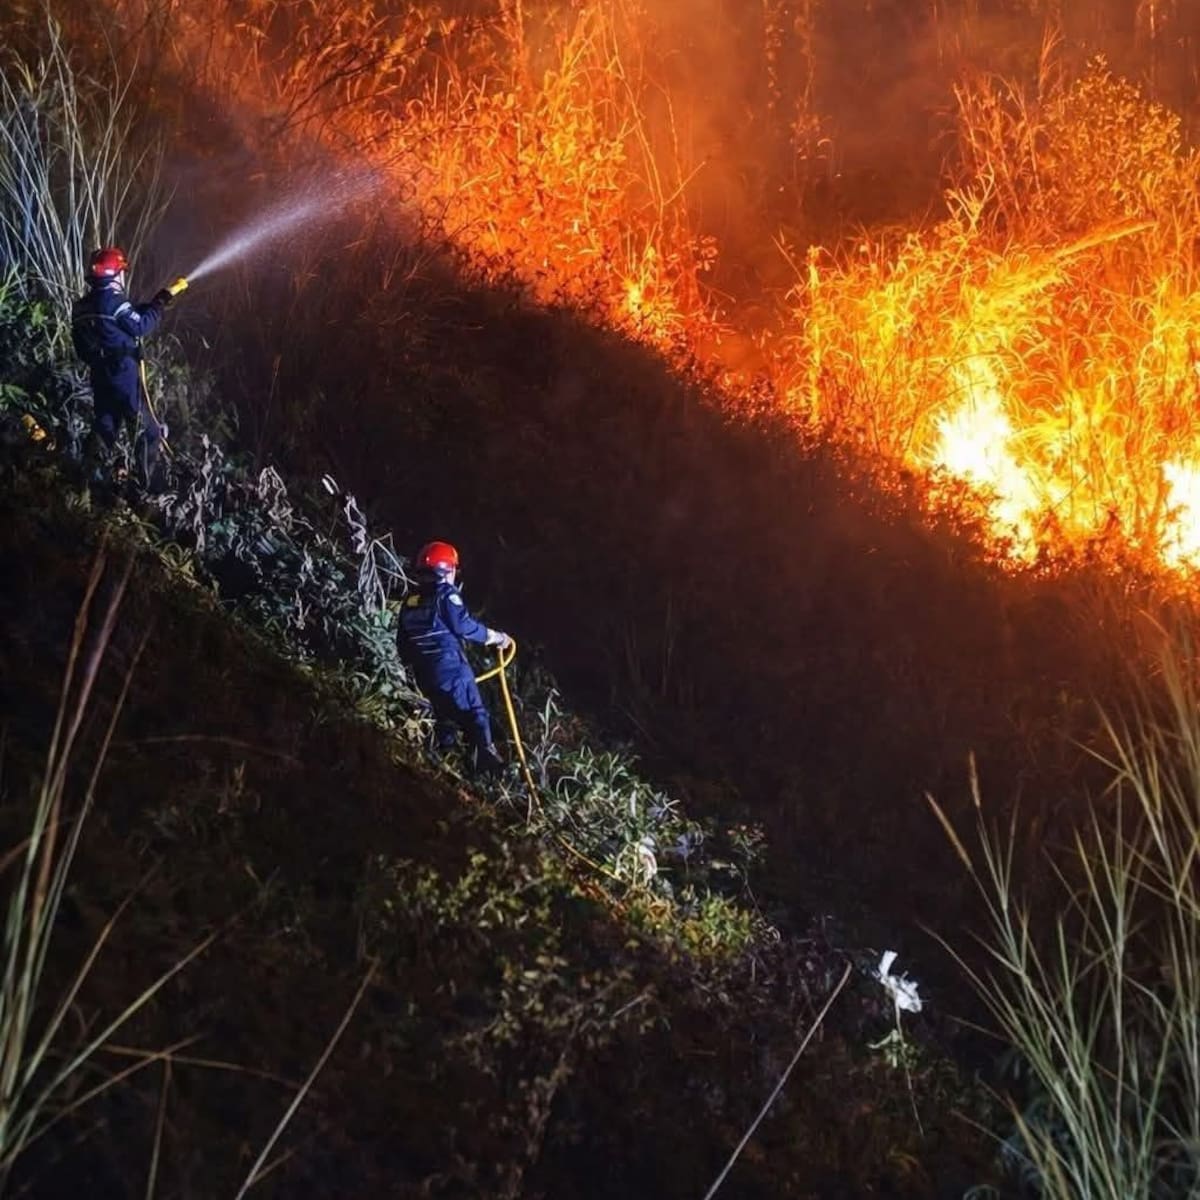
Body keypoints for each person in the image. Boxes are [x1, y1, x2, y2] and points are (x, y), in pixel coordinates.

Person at [397, 540, 512, 777]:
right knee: (475, 712)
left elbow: (403, 644)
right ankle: (487, 771)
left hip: (424, 672)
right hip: (450, 667)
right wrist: (497, 638)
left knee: (444, 716)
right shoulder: (446, 594)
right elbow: (464, 627)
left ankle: (442, 765)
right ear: (447, 569)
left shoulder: (411, 600)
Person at [71, 246, 177, 490]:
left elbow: (85, 344)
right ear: (115, 274)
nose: (123, 277)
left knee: (105, 424)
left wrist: (147, 305)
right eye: (122, 272)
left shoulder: (81, 307)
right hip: (123, 376)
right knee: (147, 430)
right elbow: (141, 326)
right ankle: (149, 488)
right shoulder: (115, 301)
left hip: (99, 375)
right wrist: (159, 303)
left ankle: (87, 481)